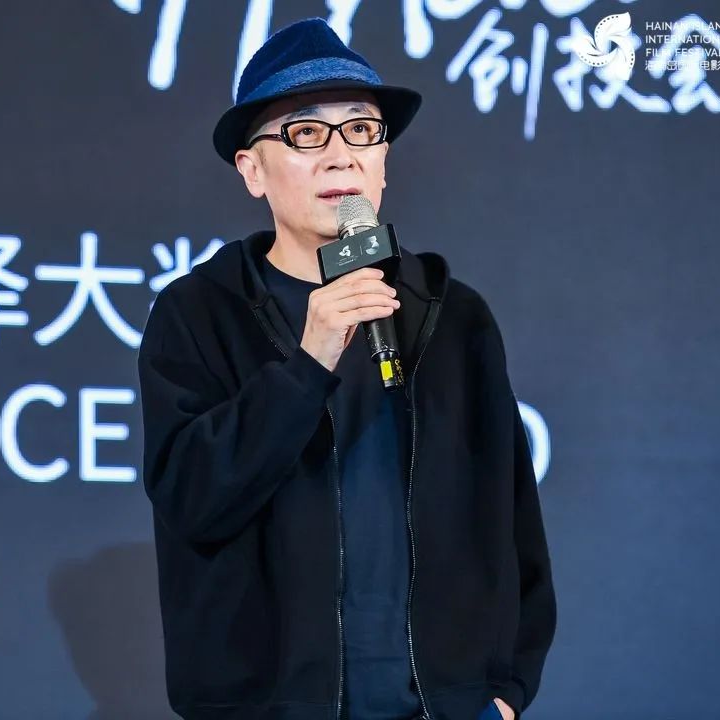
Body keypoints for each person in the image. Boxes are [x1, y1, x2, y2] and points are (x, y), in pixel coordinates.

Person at [137, 17, 556, 720]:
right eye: (306, 133)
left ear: (383, 162)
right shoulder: (199, 313)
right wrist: (310, 359)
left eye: (361, 130)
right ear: (252, 170)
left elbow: (511, 519)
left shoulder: (452, 315)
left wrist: (503, 694)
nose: (341, 156)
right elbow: (191, 499)